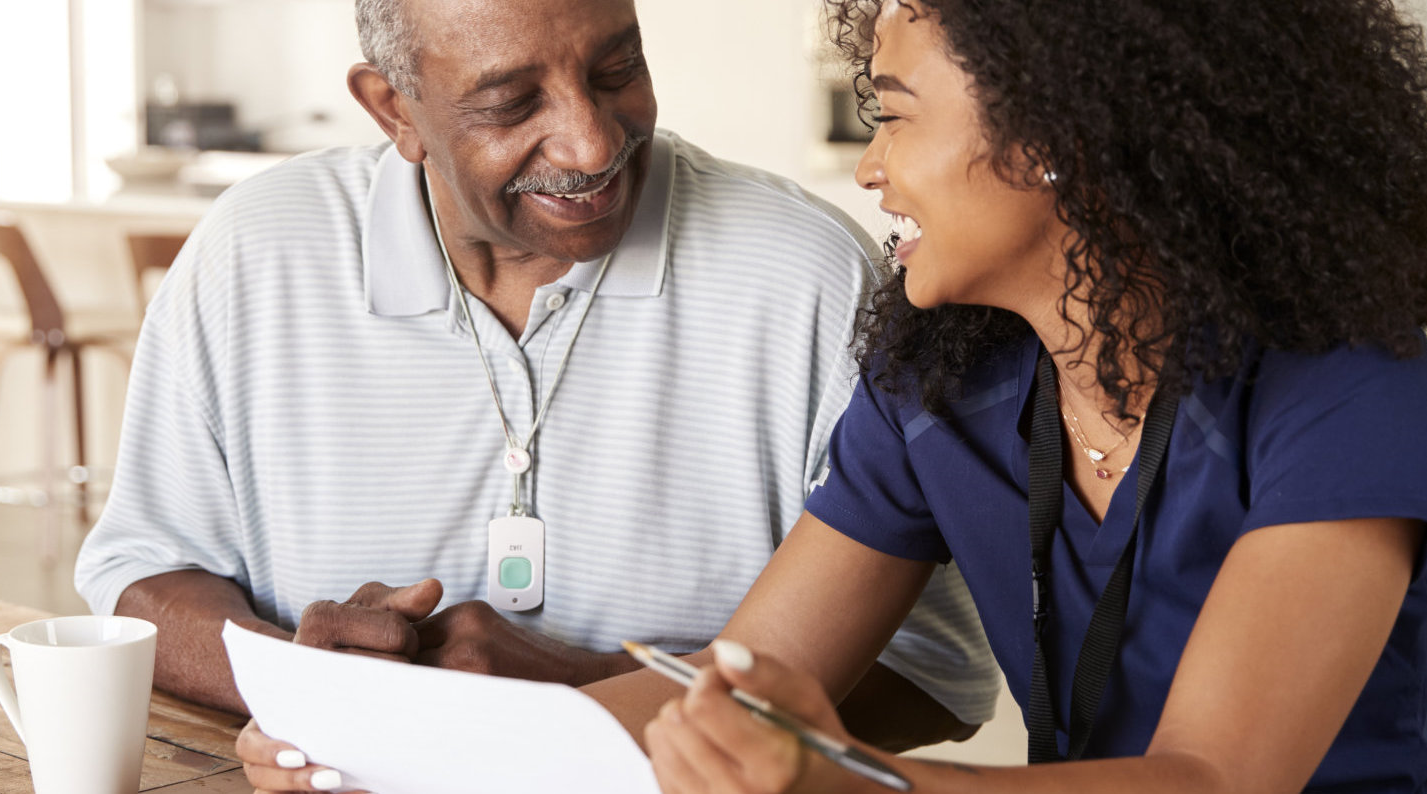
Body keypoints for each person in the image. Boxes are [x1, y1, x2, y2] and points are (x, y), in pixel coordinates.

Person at [75, 0, 1003, 779]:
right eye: (512, 101)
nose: (592, 140)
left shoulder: (808, 273)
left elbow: (933, 673)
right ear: (393, 107)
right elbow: (140, 573)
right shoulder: (252, 252)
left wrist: (581, 698)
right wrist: (323, 695)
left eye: (616, 70)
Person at [627, 0, 1427, 791]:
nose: (872, 169)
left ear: (1051, 139)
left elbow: (1212, 778)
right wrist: (506, 717)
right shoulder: (930, 384)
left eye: (892, 117)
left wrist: (845, 778)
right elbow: (735, 678)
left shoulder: (1348, 389)